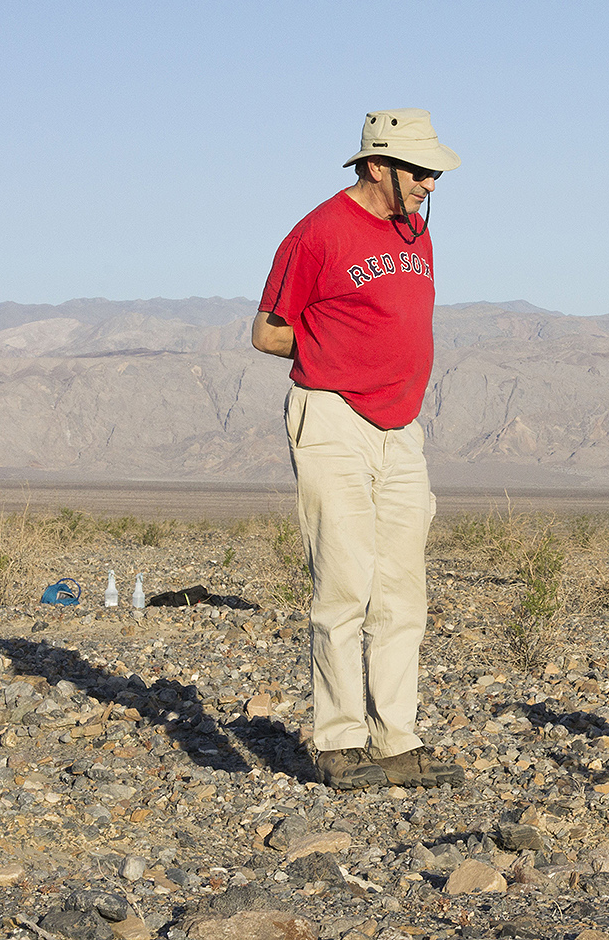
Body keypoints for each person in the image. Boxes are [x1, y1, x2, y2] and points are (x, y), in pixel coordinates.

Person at [252, 108, 465, 791]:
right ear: (378, 165)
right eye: (419, 169)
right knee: (344, 581)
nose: (431, 181)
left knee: (402, 587)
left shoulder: (417, 233)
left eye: (434, 170)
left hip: (401, 426)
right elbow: (267, 331)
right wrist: (334, 350)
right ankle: (339, 740)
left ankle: (395, 739)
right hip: (333, 417)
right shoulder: (318, 233)